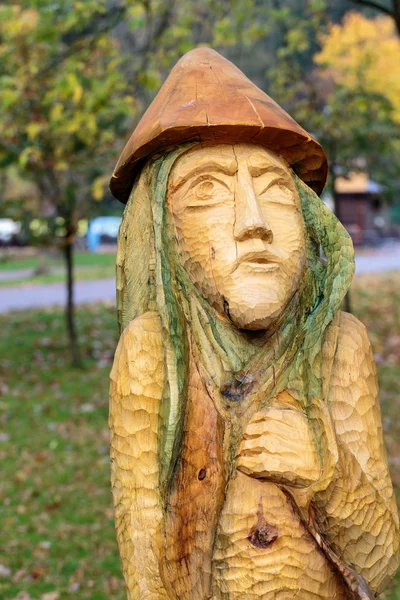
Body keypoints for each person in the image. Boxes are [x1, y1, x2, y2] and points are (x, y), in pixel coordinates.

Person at [109, 49, 399, 600]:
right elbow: (146, 569)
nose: (253, 223)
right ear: (162, 232)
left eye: (274, 189)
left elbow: (381, 564)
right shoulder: (150, 354)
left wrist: (327, 474)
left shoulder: (341, 346)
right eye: (208, 191)